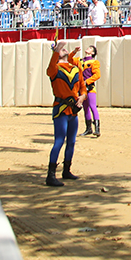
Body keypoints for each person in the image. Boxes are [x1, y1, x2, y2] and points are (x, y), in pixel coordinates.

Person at [46, 41, 84, 187]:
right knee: (59, 141)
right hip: (61, 109)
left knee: (72, 141)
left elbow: (83, 88)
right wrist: (56, 50)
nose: (64, 50)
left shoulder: (76, 69)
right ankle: (50, 175)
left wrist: (82, 97)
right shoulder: (54, 69)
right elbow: (50, 66)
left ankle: (67, 170)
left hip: (73, 111)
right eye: (61, 51)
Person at [80, 45, 102, 138]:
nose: (88, 48)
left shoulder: (94, 62)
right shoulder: (81, 61)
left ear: (92, 53)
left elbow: (97, 75)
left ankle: (97, 128)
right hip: (82, 88)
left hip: (90, 87)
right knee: (85, 107)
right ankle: (88, 128)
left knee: (92, 106)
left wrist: (87, 82)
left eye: (90, 48)